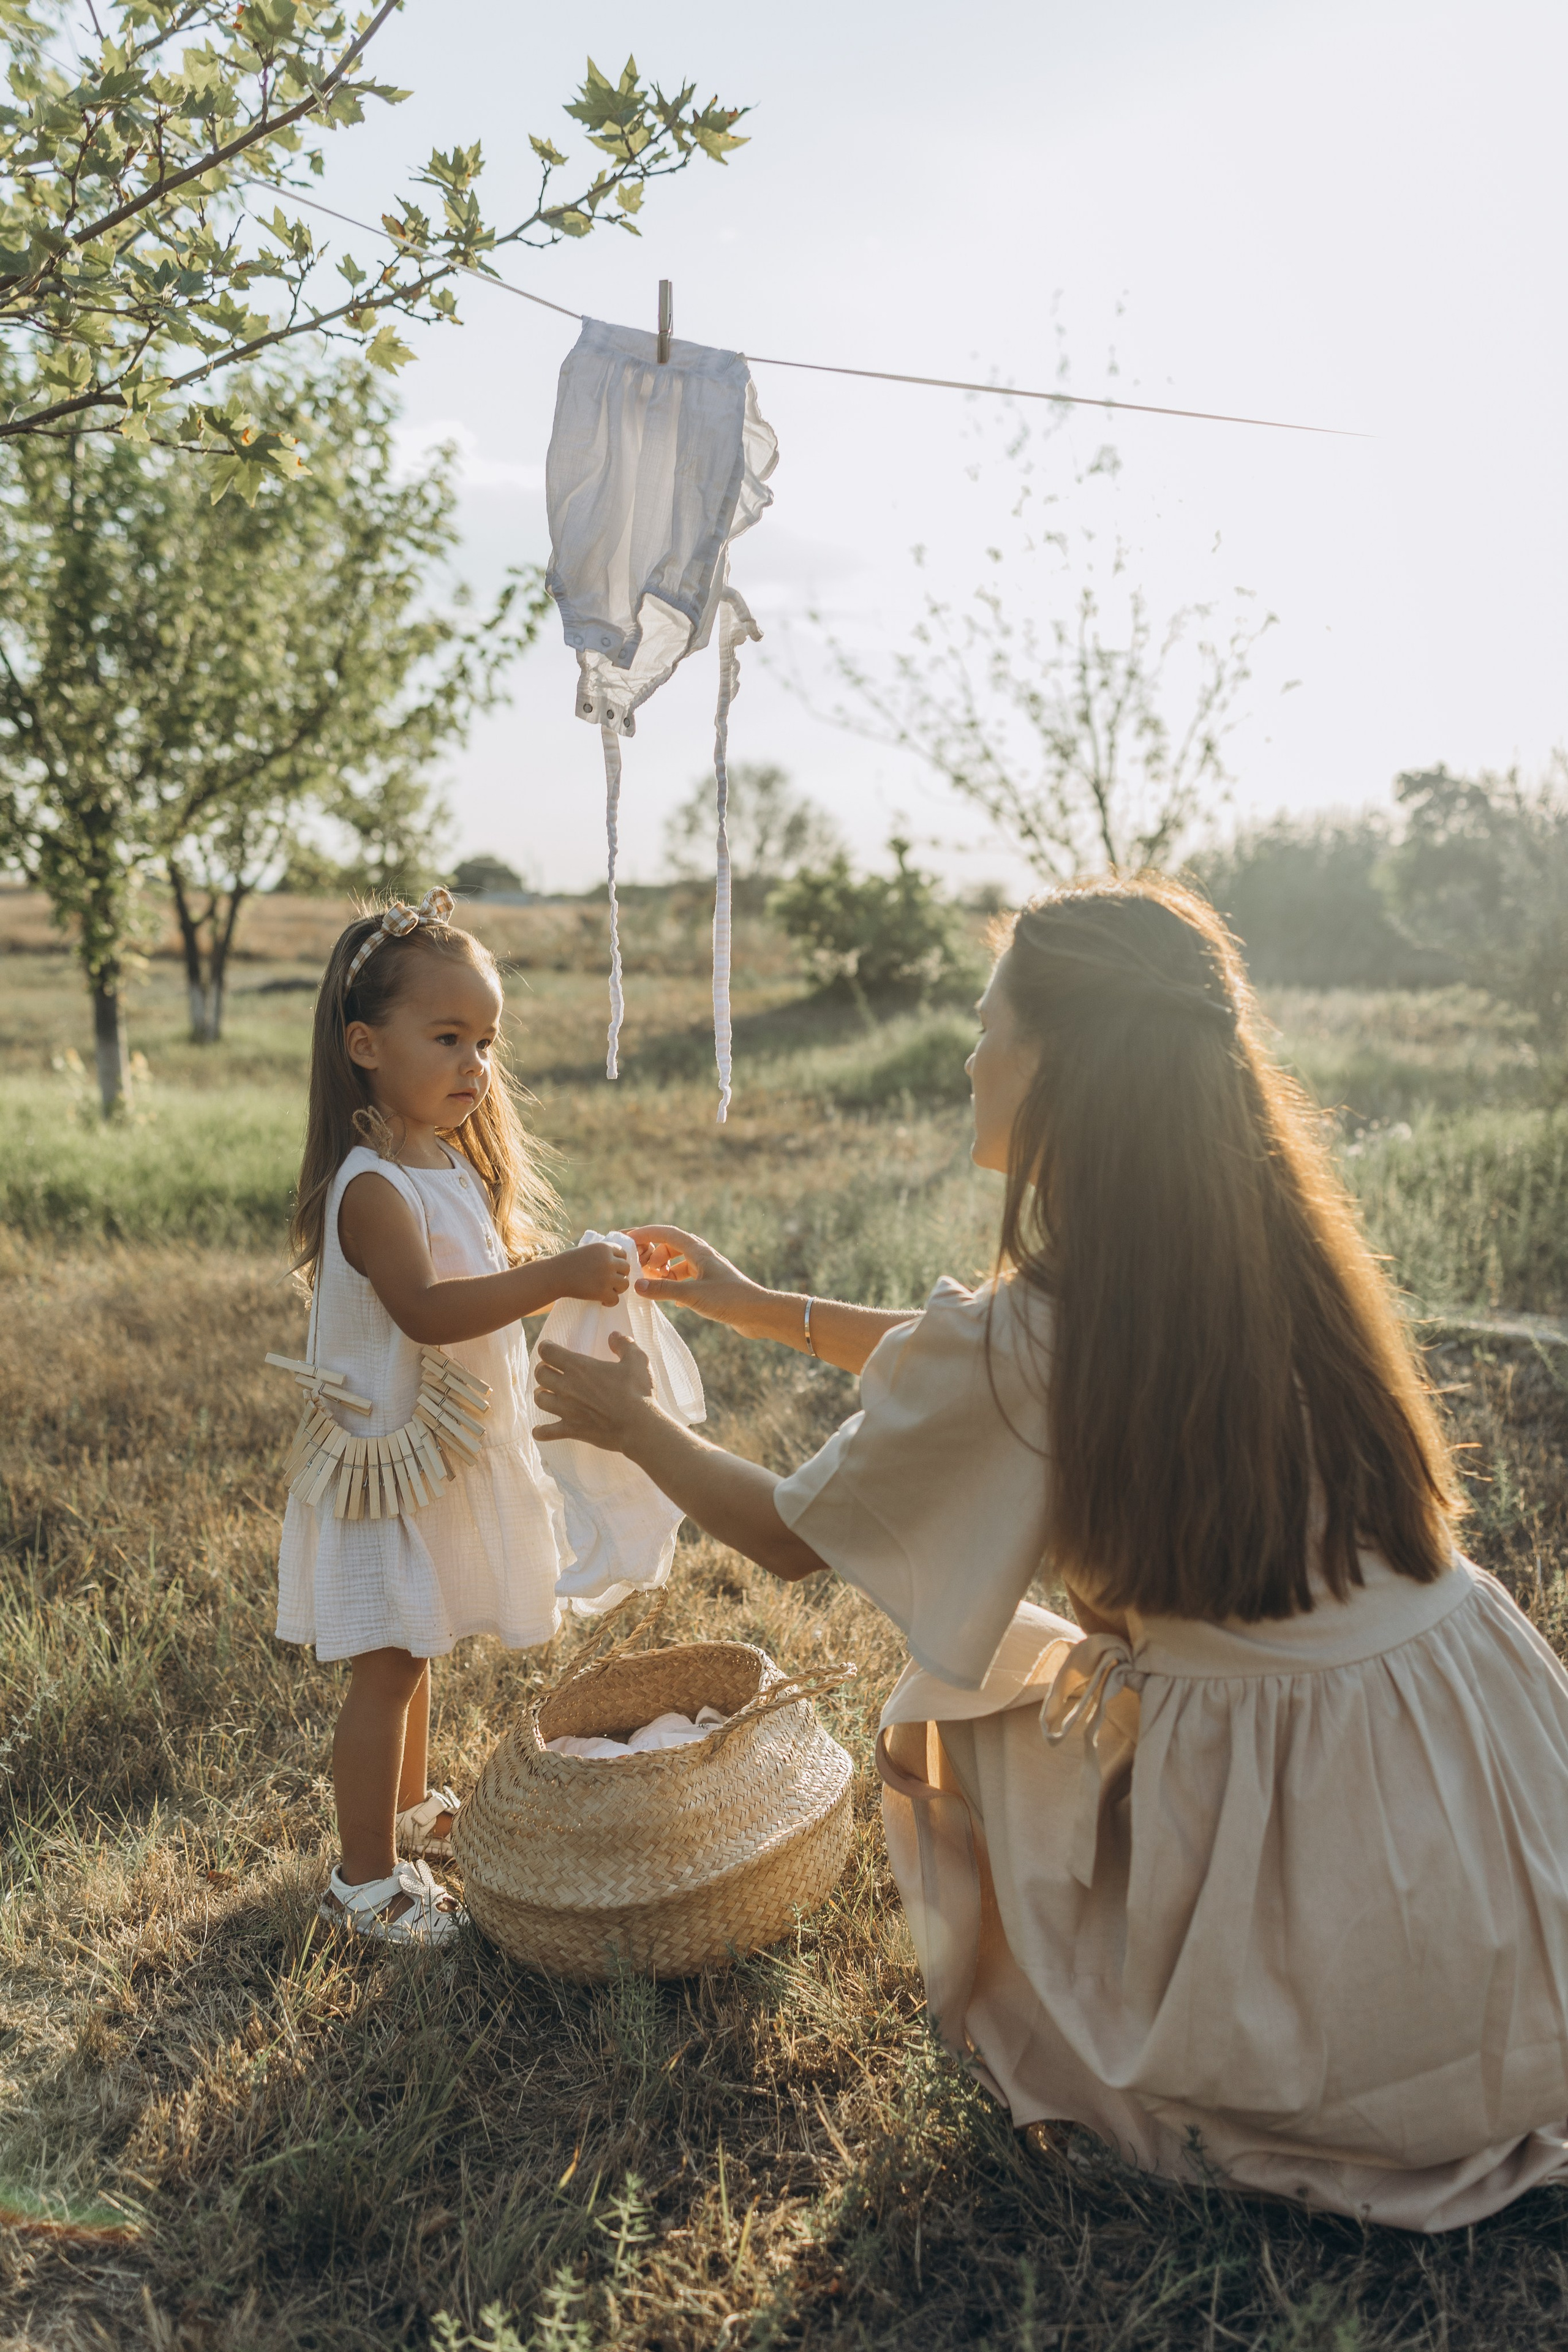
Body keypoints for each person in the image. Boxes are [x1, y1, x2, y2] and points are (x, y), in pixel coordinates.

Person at [533, 873, 1568, 2231]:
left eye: (986, 1022)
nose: (969, 1055)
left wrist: (638, 1421)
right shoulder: (1262, 1249)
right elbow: (988, 1364)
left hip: (1309, 1787)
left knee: (947, 1709)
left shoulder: (1050, 1323)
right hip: (1478, 1759)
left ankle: (1272, 2030)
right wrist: (743, 1304)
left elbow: (790, 1535)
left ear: (1060, 1067)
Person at [278, 890, 629, 1945]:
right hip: (389, 1467)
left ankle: (408, 1809)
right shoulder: (373, 1187)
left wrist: (566, 1291)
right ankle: (363, 1883)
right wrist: (555, 1272)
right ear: (365, 1045)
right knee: (387, 1664)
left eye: (486, 1040)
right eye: (447, 1037)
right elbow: (429, 1314)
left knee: (416, 1645)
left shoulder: (449, 1165)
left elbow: (480, 1291)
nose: (476, 1064)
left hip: (439, 1459)